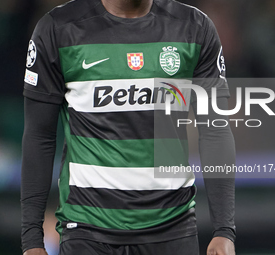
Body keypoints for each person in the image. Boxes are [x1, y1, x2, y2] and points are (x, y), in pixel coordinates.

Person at [21, 0, 236, 254]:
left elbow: (214, 130)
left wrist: (224, 230)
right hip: (86, 230)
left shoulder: (194, 28)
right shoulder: (57, 29)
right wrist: (31, 240)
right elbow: (39, 136)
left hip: (172, 227)